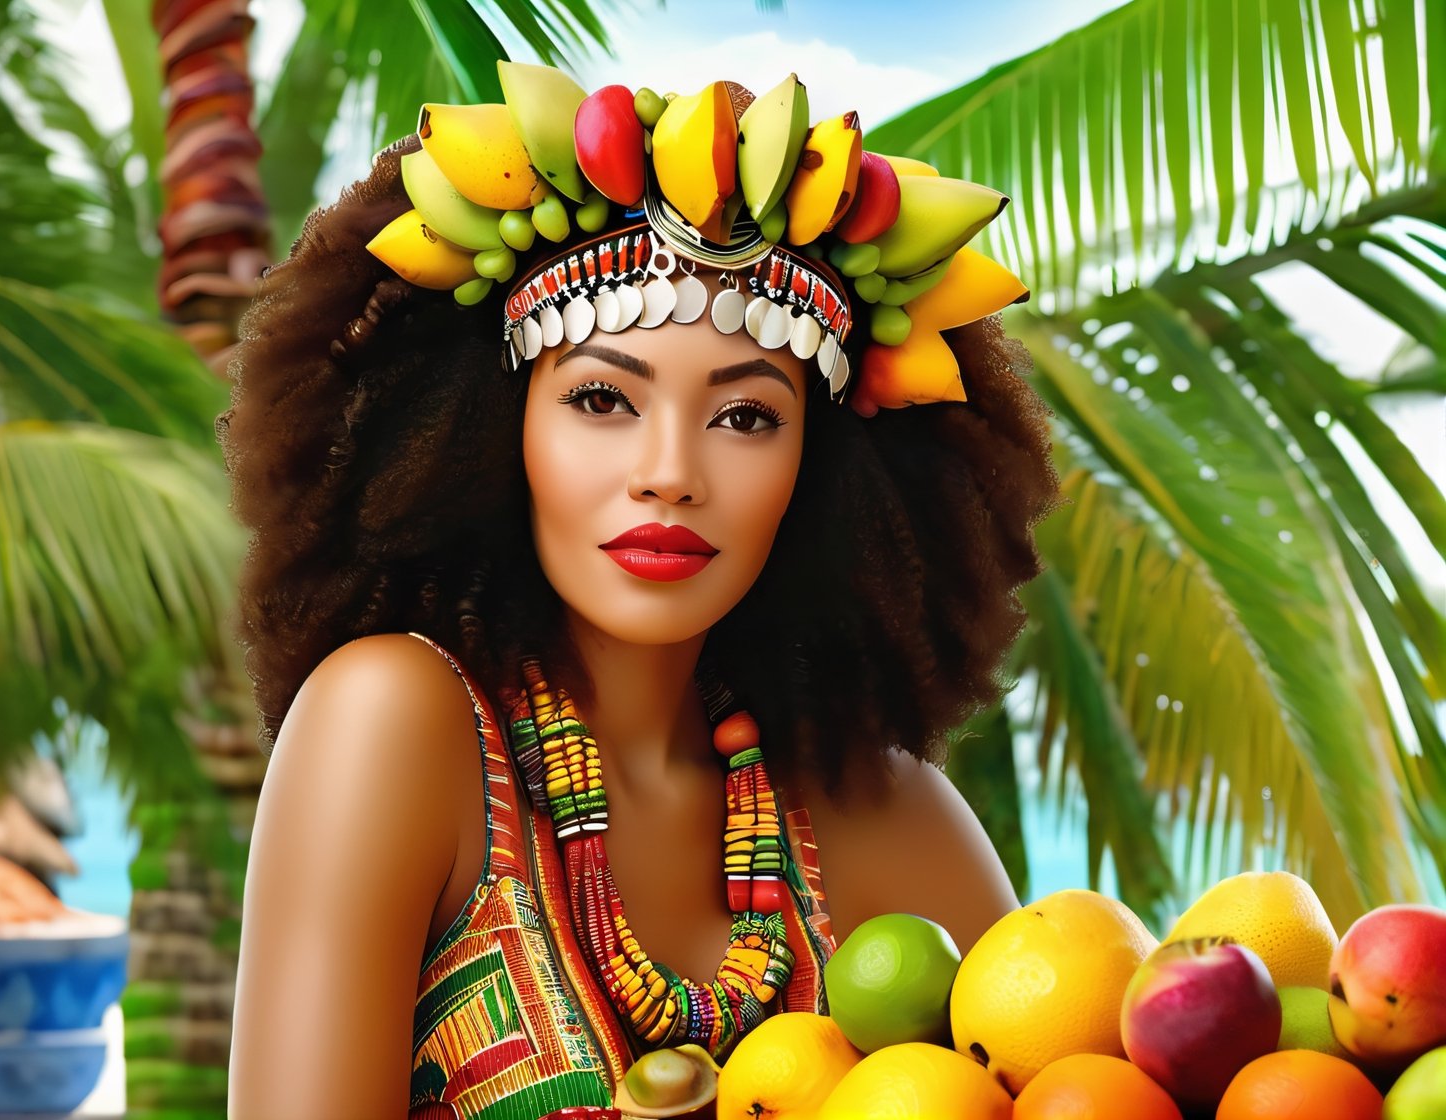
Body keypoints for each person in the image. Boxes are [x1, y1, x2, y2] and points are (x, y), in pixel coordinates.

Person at [219, 64, 1063, 1119]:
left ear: (825, 472)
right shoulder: (391, 724)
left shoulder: (887, 818)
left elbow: (1076, 1075)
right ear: (491, 430)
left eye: (745, 416)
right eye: (602, 398)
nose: (669, 471)